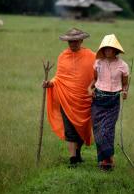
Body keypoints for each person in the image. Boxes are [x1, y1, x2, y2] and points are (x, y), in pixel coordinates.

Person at [43, 28, 95, 166]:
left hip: (84, 100)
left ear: (81, 41)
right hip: (65, 98)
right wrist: (50, 83)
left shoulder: (91, 55)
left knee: (82, 129)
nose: (72, 44)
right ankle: (72, 160)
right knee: (70, 130)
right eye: (70, 41)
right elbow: (59, 77)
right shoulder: (62, 56)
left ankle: (78, 154)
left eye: (75, 41)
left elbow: (97, 74)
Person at [88, 34, 129, 171]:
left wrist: (125, 92)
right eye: (105, 49)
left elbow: (125, 84)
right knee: (98, 131)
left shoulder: (123, 66)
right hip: (98, 99)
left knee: (108, 130)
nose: (107, 51)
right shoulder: (98, 63)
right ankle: (106, 159)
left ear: (115, 50)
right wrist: (90, 88)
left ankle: (108, 161)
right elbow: (94, 81)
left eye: (110, 49)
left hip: (113, 101)